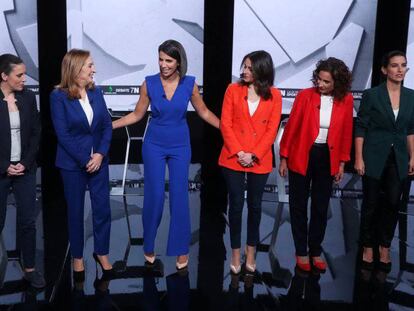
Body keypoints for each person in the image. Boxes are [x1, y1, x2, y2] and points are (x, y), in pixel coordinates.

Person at [112, 40, 219, 269]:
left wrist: (228, 129)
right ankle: (148, 244)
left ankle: (181, 249)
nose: (163, 64)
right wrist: (110, 126)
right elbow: (137, 115)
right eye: (160, 59)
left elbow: (204, 112)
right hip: (154, 146)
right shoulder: (148, 84)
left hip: (180, 145)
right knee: (156, 196)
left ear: (179, 61)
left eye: (168, 60)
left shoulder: (190, 84)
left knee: (180, 197)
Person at [279, 57, 353, 272]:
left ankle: (315, 250)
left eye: (326, 82)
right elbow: (291, 127)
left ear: (337, 83)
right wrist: (284, 157)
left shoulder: (346, 100)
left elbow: (346, 132)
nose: (320, 84)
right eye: (319, 79)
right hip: (302, 154)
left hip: (326, 157)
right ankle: (301, 251)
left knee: (320, 207)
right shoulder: (304, 96)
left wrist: (341, 163)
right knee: (298, 205)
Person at [50, 49, 113, 281]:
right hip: (72, 164)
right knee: (75, 212)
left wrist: (100, 155)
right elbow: (63, 134)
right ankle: (77, 256)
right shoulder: (58, 96)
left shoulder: (96, 93)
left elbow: (107, 125)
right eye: (89, 65)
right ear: (76, 69)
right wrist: (85, 159)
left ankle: (102, 252)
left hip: (99, 161)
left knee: (102, 209)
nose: (93, 69)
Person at [218, 50, 282, 274]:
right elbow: (225, 123)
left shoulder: (274, 95)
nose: (244, 71)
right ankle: (235, 251)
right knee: (235, 206)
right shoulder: (232, 90)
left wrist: (253, 154)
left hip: (259, 158)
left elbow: (271, 130)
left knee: (255, 207)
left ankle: (251, 251)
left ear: (262, 69)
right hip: (233, 156)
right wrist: (239, 152)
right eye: (244, 66)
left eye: (249, 67)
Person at [354, 50, 414, 272]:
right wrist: (359, 158)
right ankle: (368, 245)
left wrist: (413, 156)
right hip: (373, 156)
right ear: (384, 69)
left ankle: (385, 245)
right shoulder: (372, 95)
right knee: (370, 204)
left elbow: (411, 130)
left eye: (403, 65)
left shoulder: (411, 96)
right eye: (395, 65)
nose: (400, 70)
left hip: (398, 158)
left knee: (392, 203)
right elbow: (361, 127)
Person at [0, 54, 44, 288]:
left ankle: (30, 268)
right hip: (1, 170)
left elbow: (36, 133)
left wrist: (24, 164)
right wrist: (4, 165)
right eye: (19, 75)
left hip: (24, 170)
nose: (24, 79)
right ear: (4, 76)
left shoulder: (28, 97)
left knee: (28, 221)